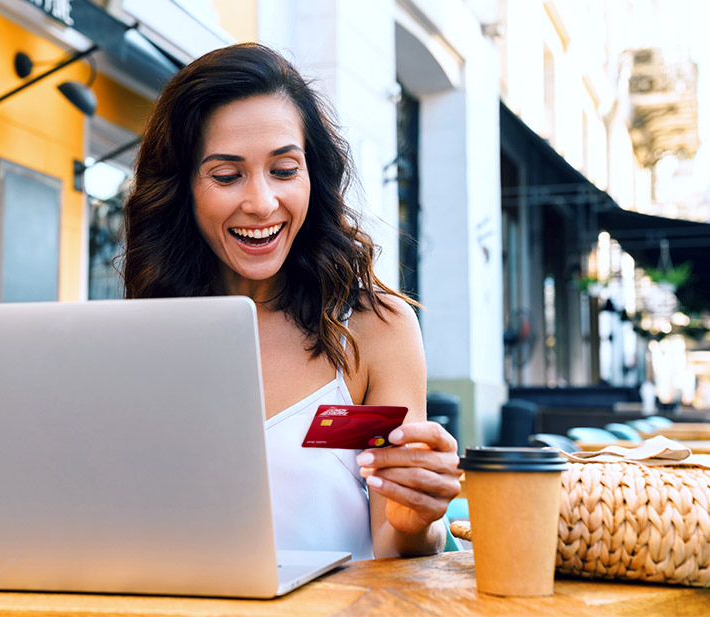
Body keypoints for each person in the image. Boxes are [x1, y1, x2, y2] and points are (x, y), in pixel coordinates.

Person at [120, 43, 461, 559]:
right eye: (227, 175)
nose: (261, 203)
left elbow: (393, 537)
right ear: (183, 189)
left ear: (312, 177)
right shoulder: (143, 334)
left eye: (283, 170)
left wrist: (415, 519)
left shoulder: (375, 329)